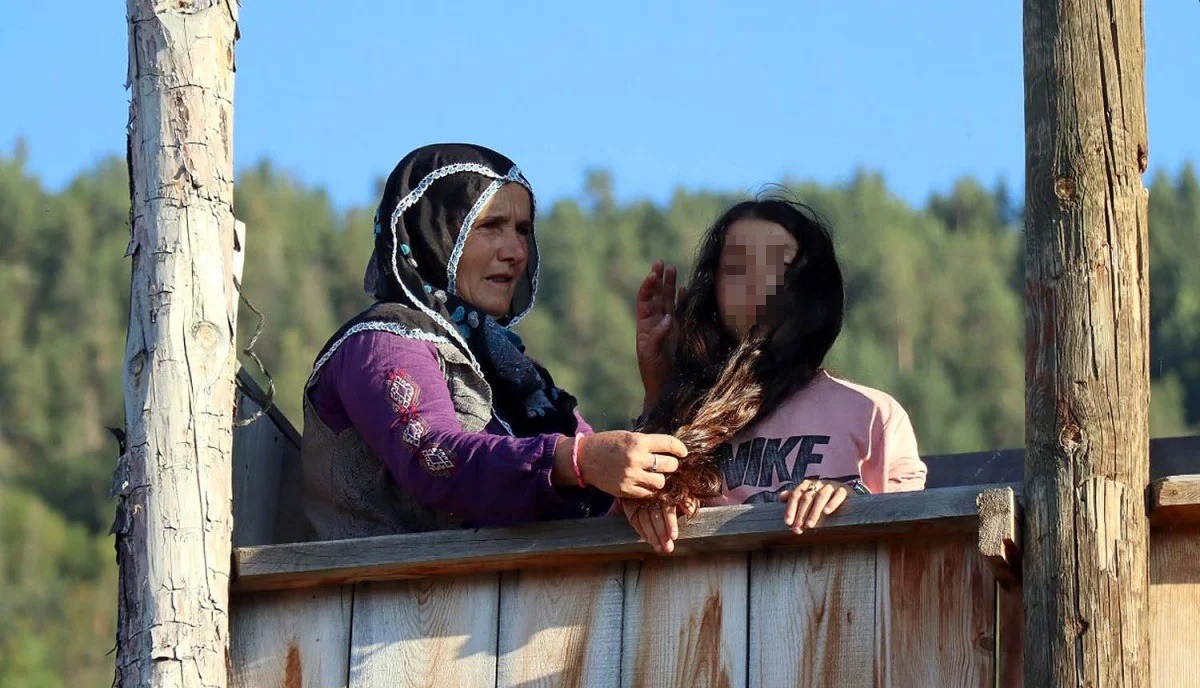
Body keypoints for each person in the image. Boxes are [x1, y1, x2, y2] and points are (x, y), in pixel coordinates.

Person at [301, 143, 687, 541]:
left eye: (522, 230)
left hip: (514, 598)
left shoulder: (515, 376)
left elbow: (601, 486)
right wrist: (578, 460)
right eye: (490, 226)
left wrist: (659, 387)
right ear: (431, 231)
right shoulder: (381, 341)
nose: (516, 252)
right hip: (385, 598)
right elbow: (435, 461)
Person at [625, 196, 927, 552]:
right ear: (714, 293)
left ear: (813, 288)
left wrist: (851, 500)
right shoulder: (690, 421)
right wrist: (662, 388)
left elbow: (914, 530)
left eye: (778, 267)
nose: (757, 283)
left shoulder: (873, 414)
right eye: (737, 268)